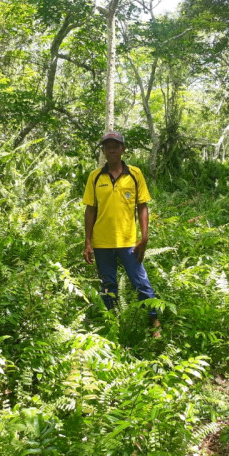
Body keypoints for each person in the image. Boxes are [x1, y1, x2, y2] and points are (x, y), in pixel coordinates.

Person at [83, 131, 160, 332]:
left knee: (141, 282)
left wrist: (144, 237)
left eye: (116, 146)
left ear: (123, 149)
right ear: (103, 150)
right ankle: (111, 327)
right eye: (107, 146)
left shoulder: (135, 174)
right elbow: (90, 209)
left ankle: (154, 324)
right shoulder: (95, 177)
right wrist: (88, 242)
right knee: (108, 286)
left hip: (129, 242)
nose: (112, 150)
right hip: (102, 243)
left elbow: (142, 206)